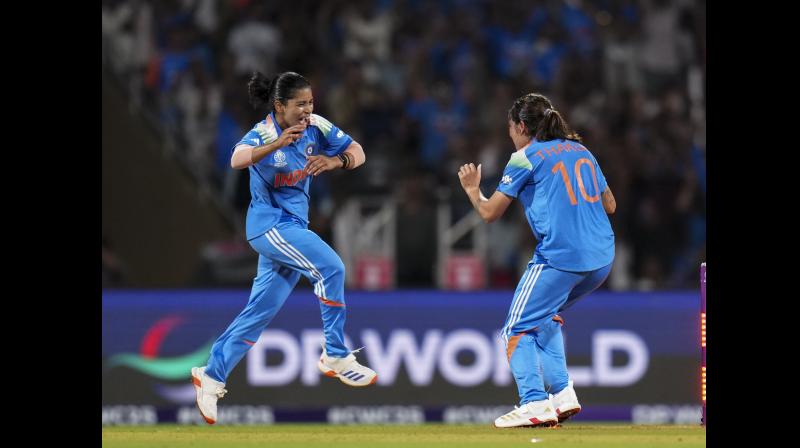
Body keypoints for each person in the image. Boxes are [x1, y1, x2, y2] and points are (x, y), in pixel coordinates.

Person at [191, 71, 377, 425]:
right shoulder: (263, 132)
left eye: (310, 103)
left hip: (294, 229)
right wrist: (276, 145)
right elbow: (236, 159)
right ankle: (335, 354)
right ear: (279, 106)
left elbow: (359, 152)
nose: (307, 110)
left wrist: (336, 161)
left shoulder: (316, 126)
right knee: (333, 267)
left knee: (259, 312)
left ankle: (211, 375)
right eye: (299, 105)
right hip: (270, 226)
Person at [457, 93, 616, 428]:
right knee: (543, 316)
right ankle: (562, 394)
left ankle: (533, 403)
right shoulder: (580, 150)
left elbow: (489, 213)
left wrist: (473, 189)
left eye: (511, 129)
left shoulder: (524, 157)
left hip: (560, 258)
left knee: (515, 328)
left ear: (521, 126)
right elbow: (610, 205)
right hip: (601, 259)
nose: (510, 135)